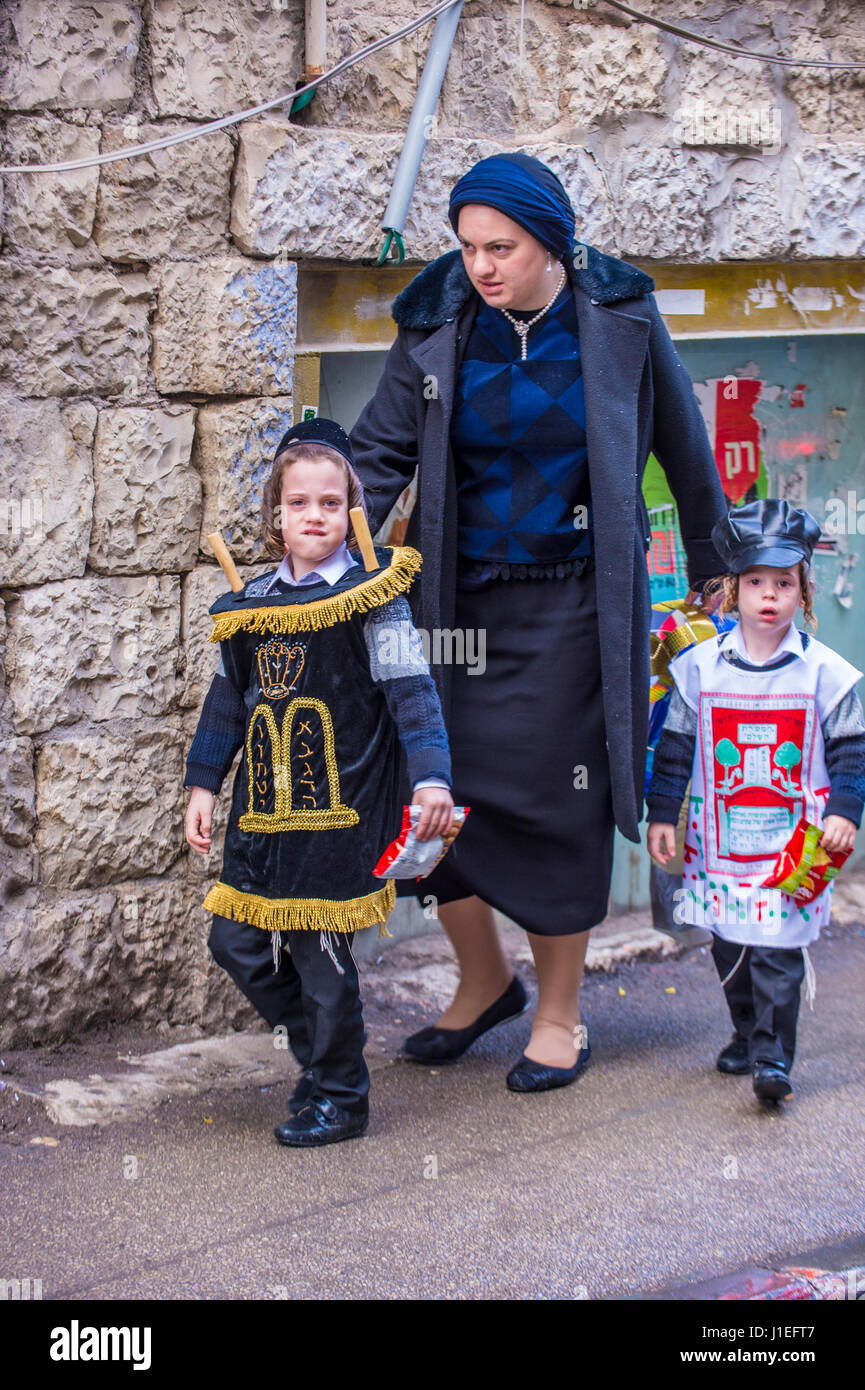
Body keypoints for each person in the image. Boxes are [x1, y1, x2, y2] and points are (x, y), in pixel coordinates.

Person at [350, 151, 728, 1091]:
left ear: (549, 244)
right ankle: (484, 979)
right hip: (455, 604)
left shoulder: (620, 317)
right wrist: (322, 540)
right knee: (432, 792)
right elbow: (380, 452)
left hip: (572, 604)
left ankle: (559, 1012)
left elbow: (682, 438)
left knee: (563, 805)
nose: (481, 266)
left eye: (502, 248)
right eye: (469, 245)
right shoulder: (437, 317)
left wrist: (716, 555)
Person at [184, 418, 454, 1146]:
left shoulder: (377, 597)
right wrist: (203, 786)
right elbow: (225, 704)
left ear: (352, 510)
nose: (314, 516)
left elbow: (414, 695)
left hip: (338, 819)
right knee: (234, 944)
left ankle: (341, 1095)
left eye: (329, 504)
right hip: (261, 817)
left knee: (322, 965)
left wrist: (431, 780)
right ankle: (320, 1059)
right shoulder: (250, 603)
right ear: (276, 512)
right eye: (299, 503)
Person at [647, 499, 865, 1103]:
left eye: (783, 583)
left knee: (779, 948)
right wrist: (663, 813)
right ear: (734, 590)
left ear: (803, 594)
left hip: (799, 840)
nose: (769, 594)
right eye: (755, 582)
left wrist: (846, 812)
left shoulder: (828, 674)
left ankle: (773, 1058)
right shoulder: (697, 670)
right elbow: (675, 748)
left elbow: (852, 750)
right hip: (718, 845)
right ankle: (746, 1034)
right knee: (731, 943)